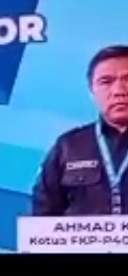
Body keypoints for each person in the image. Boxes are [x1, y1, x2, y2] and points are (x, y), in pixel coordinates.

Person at [33, 45, 128, 216]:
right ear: (92, 91)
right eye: (106, 82)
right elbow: (43, 215)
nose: (119, 91)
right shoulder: (68, 146)